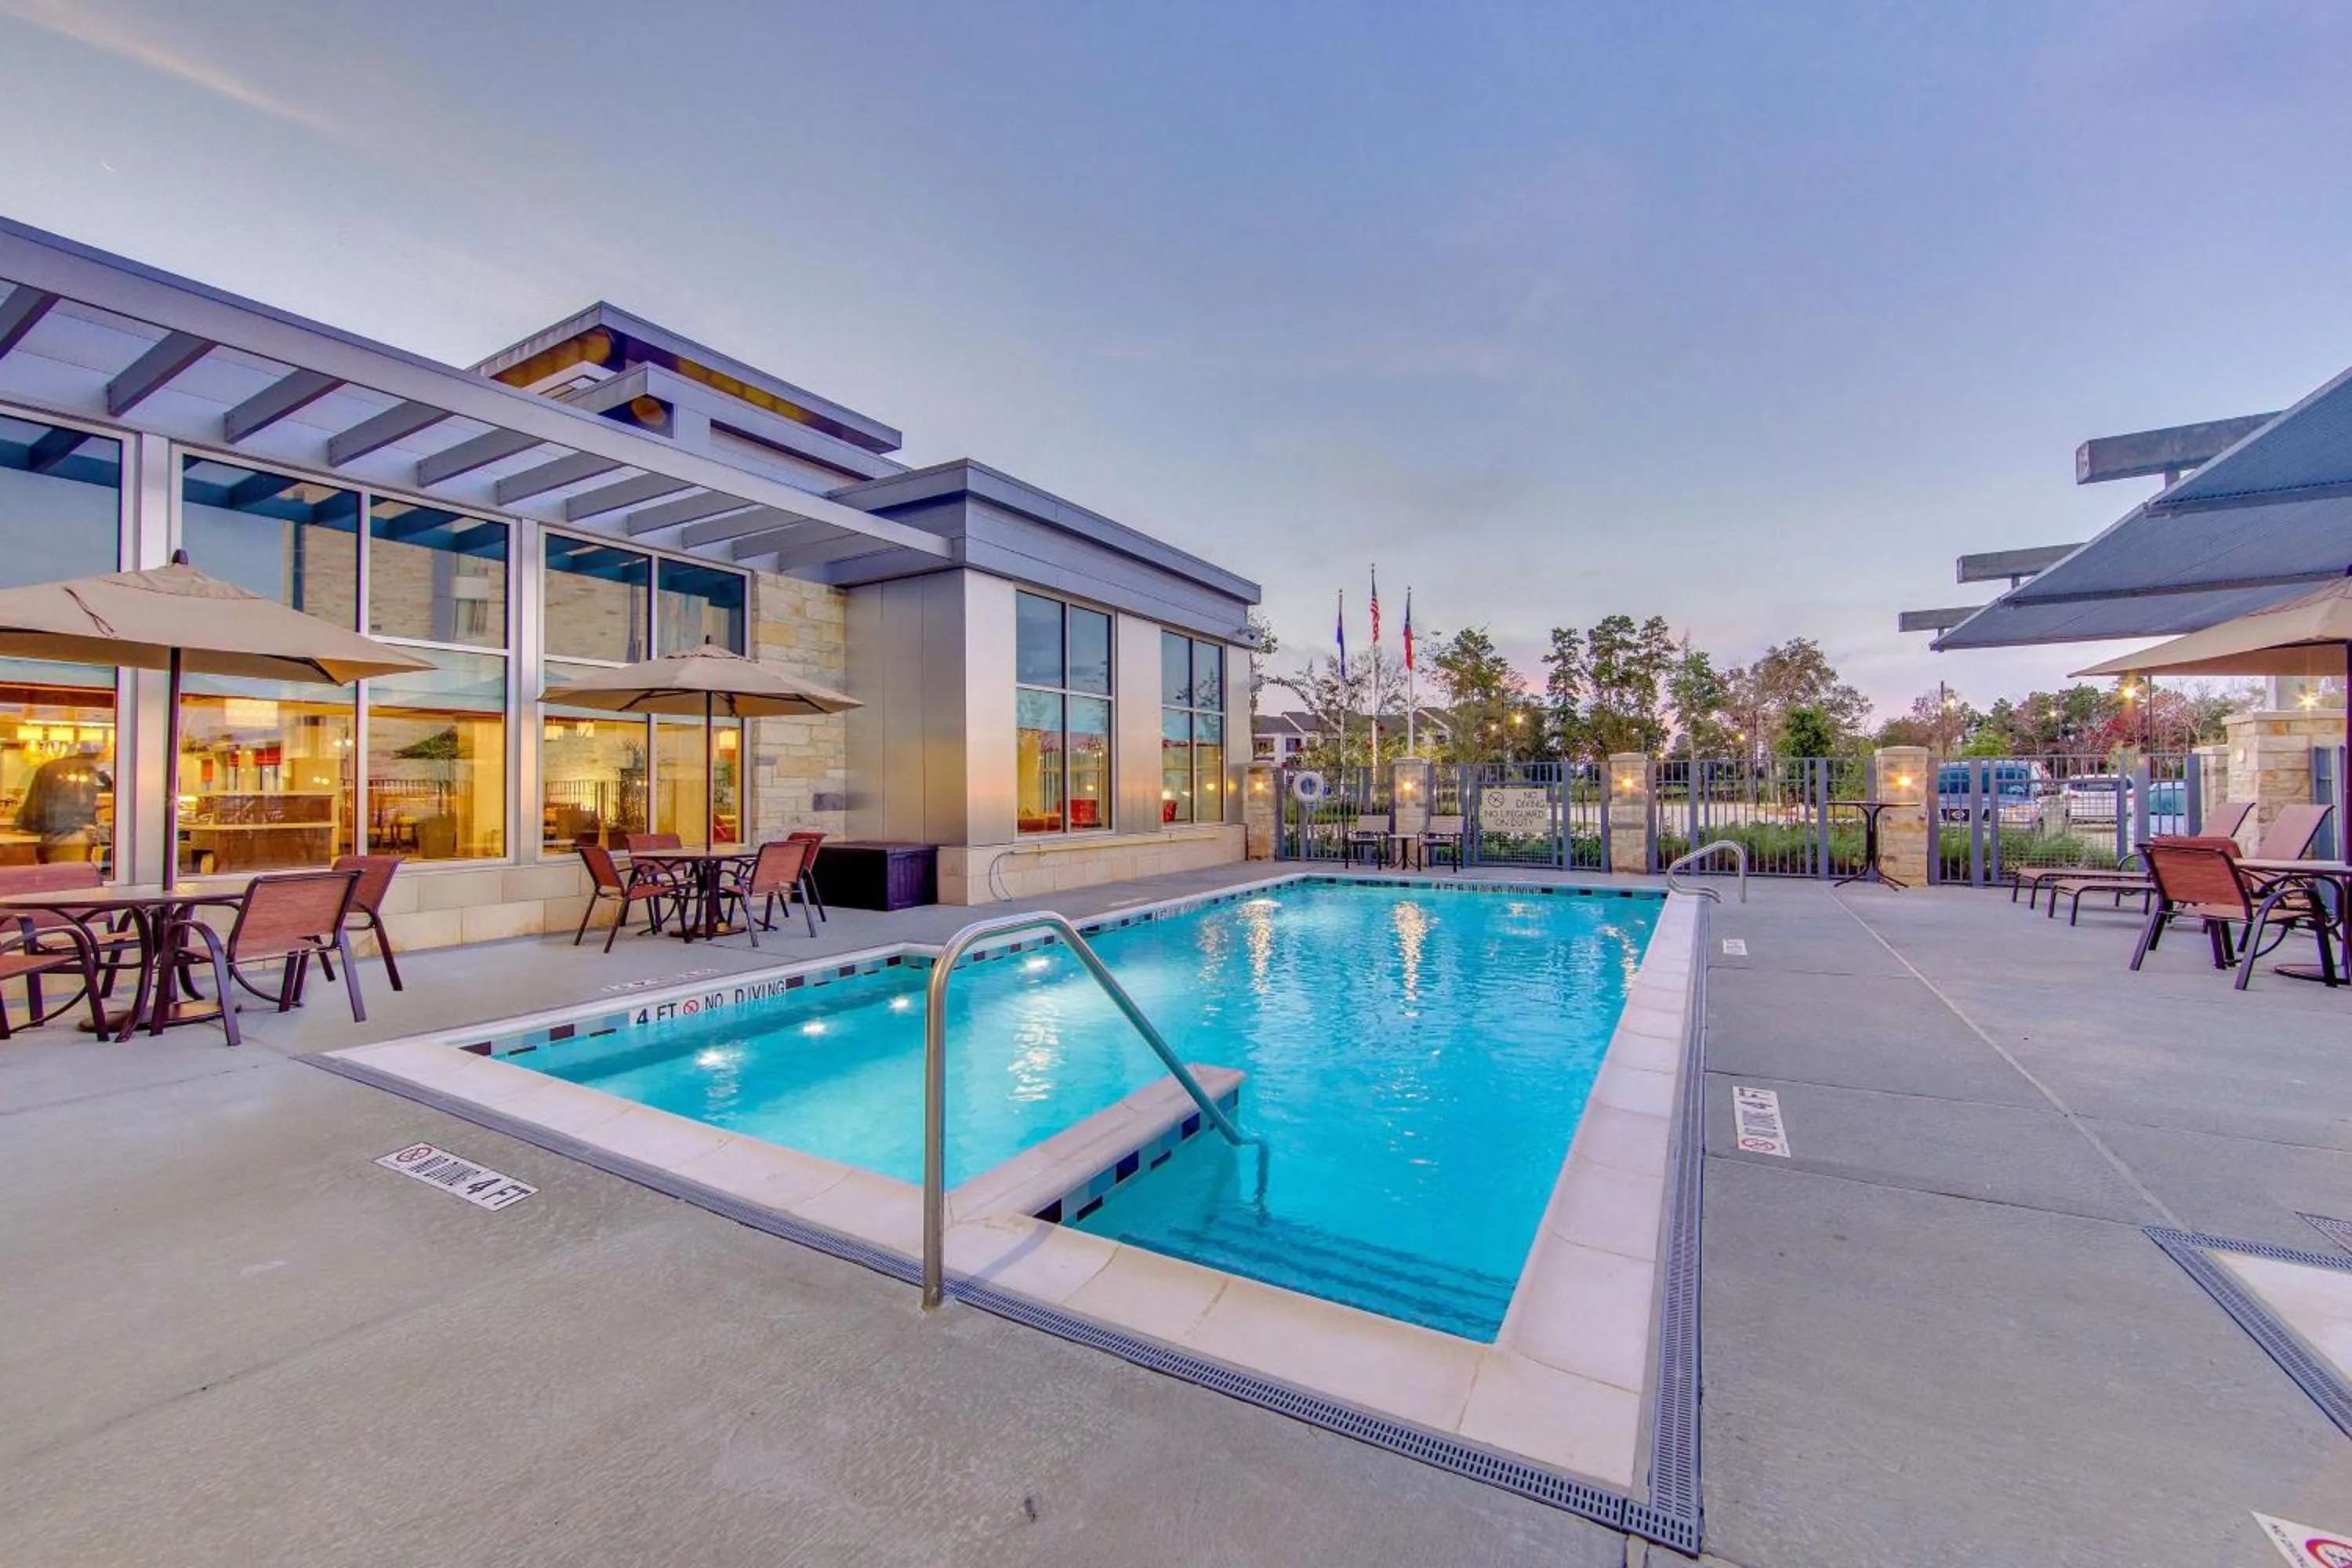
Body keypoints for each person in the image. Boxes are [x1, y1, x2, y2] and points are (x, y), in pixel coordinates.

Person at [15, 744, 111, 863]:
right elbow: (79, 803)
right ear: (102, 752)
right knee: (69, 876)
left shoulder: (50, 767)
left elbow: (34, 807)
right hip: (72, 836)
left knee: (54, 875)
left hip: (50, 836)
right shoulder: (87, 770)